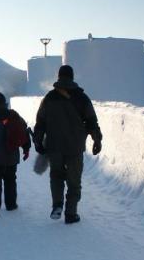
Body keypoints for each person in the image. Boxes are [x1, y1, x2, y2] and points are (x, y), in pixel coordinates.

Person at [32, 65, 102, 224]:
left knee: (56, 176)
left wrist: (37, 139)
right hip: (75, 146)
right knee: (74, 180)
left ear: (59, 77)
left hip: (54, 145)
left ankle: (57, 204)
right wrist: (97, 140)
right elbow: (91, 121)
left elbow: (40, 121)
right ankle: (71, 213)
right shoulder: (82, 98)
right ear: (72, 77)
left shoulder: (49, 97)